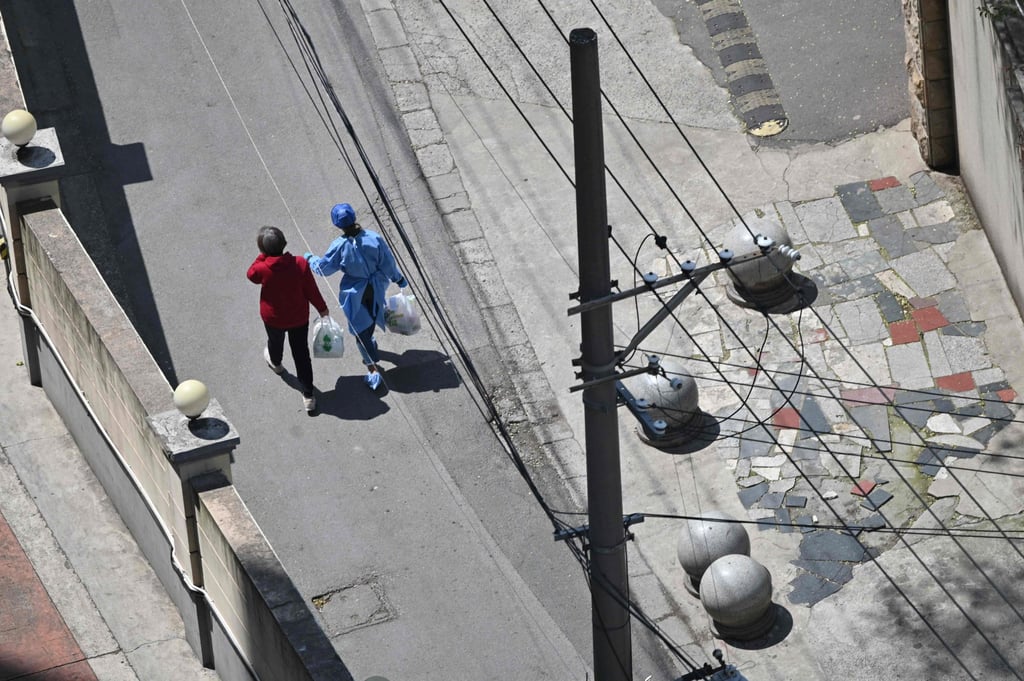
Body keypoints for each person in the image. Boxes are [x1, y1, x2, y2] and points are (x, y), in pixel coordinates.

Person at [305, 203, 408, 391]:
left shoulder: (340, 246)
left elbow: (323, 268)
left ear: (337, 225)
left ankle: (372, 369)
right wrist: (399, 279)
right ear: (354, 217)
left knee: (361, 332)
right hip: (376, 287)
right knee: (372, 316)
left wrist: (310, 259)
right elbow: (388, 263)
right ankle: (371, 344)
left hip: (355, 293)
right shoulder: (374, 238)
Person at [247, 225, 329, 413]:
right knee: (301, 354)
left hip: (273, 318)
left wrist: (262, 255)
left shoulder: (262, 268)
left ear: (263, 250)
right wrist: (322, 309)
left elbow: (251, 275)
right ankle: (308, 395)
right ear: (284, 243)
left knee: (275, 342)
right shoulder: (300, 263)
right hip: (299, 317)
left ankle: (276, 364)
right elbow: (311, 290)